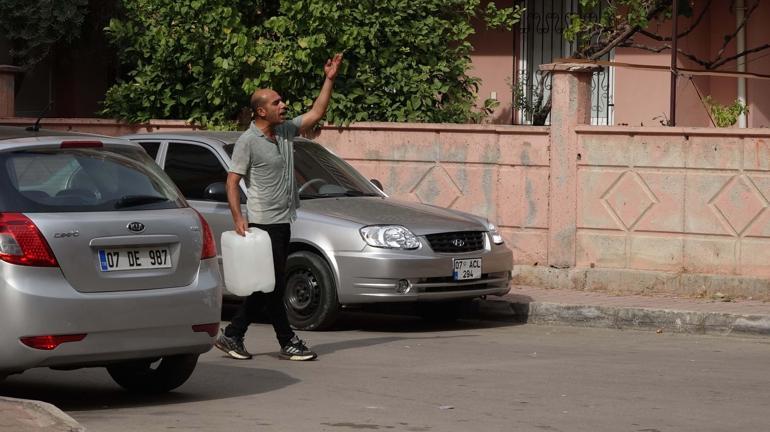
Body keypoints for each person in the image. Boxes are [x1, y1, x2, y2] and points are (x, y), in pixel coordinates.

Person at [215, 53, 343, 361]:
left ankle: (233, 334)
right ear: (261, 110)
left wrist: (330, 78)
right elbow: (232, 182)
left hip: (282, 219)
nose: (283, 105)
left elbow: (316, 112)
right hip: (263, 221)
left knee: (268, 283)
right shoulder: (248, 141)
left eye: (281, 101)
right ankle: (286, 341)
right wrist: (238, 218)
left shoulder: (285, 132)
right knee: (271, 284)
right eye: (276, 102)